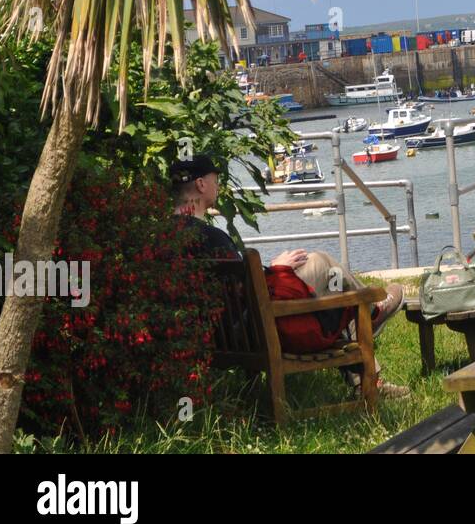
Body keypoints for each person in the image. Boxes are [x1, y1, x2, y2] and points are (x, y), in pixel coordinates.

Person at [171, 156, 409, 399]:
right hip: (254, 331)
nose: (218, 185)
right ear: (201, 185)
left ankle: (367, 377)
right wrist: (276, 269)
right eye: (215, 179)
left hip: (219, 337)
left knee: (325, 288)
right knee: (321, 263)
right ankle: (371, 312)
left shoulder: (164, 235)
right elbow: (247, 292)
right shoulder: (212, 238)